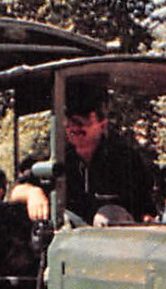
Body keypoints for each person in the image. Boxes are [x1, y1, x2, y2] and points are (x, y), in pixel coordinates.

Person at [9, 85, 158, 224]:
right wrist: (32, 193)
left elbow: (147, 210)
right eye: (69, 121)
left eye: (83, 121)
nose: (74, 127)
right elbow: (14, 191)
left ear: (102, 124)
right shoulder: (56, 158)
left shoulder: (127, 160)